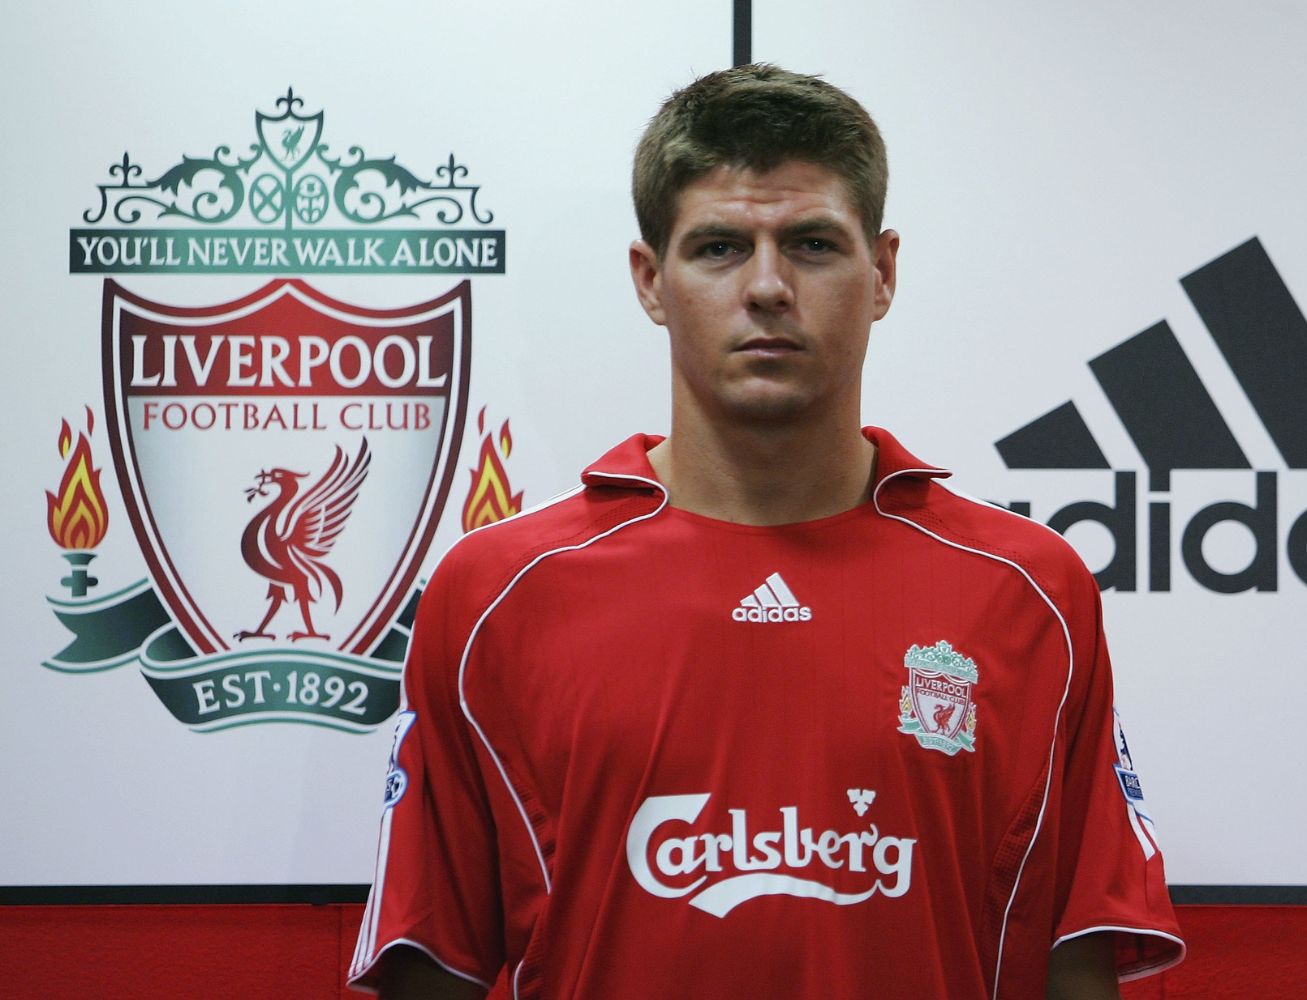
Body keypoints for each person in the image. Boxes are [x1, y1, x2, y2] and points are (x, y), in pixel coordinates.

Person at [349, 64, 1184, 999]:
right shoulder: (496, 593)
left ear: (884, 274)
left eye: (814, 243)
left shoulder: (1029, 590)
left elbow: (1075, 962)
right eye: (717, 247)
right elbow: (434, 967)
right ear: (649, 280)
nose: (768, 286)